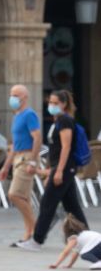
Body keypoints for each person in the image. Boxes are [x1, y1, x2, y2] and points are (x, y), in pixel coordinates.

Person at [17, 90, 88, 251]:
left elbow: (66, 147)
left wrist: (58, 171)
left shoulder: (65, 121)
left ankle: (37, 240)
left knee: (48, 203)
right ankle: (89, 238)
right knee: (72, 206)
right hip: (63, 168)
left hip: (65, 168)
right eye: (51, 102)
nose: (52, 106)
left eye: (56, 103)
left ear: (64, 104)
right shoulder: (58, 121)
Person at [0, 84, 42, 244]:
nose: (13, 98)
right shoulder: (17, 116)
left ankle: (35, 231)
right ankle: (29, 233)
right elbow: (15, 146)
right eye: (11, 94)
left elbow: (37, 137)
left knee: (14, 195)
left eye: (16, 95)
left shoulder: (29, 115)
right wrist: (5, 167)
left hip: (27, 157)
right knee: (24, 197)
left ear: (25, 97)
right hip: (18, 158)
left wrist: (32, 160)